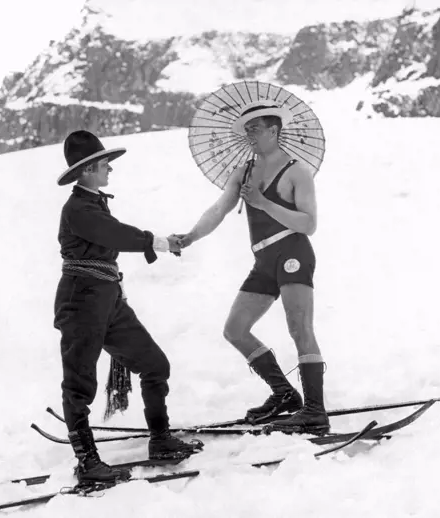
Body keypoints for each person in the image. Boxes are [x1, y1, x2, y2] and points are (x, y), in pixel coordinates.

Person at [54, 130, 203, 485]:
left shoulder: (93, 203)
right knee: (79, 385)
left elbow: (112, 235)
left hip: (108, 302)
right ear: (88, 169)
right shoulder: (77, 208)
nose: (110, 169)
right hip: (82, 303)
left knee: (155, 365)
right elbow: (115, 234)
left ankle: (161, 440)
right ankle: (88, 462)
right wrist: (160, 241)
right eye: (105, 163)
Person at [174, 100, 330, 435]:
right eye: (247, 130)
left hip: (293, 253)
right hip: (263, 259)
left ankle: (315, 411)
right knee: (235, 329)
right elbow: (219, 209)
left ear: (274, 131)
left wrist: (262, 202)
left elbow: (308, 223)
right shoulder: (243, 172)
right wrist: (190, 237)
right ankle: (285, 393)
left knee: (299, 328)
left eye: (255, 129)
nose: (250, 135)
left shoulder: (296, 172)